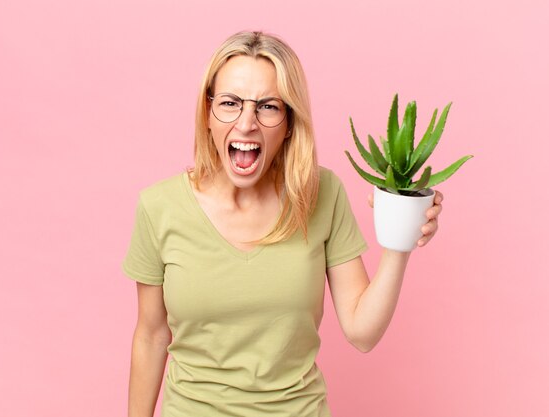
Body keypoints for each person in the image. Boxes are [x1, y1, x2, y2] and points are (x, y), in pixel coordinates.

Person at [122, 31, 443, 417]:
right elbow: (152, 335)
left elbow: (362, 332)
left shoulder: (322, 193)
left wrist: (399, 241)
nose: (246, 124)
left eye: (268, 107)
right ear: (208, 114)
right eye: (229, 103)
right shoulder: (159, 207)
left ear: (289, 122)